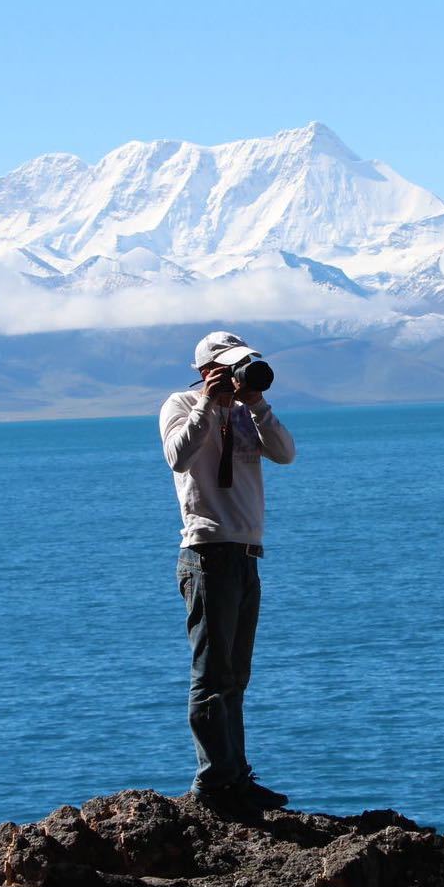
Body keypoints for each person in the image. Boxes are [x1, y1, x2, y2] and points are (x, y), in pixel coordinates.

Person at [159, 330, 296, 814]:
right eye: (232, 366)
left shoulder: (247, 411)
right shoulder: (179, 404)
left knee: (236, 675)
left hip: (246, 553)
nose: (241, 373)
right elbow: (177, 456)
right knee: (211, 675)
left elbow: (285, 453)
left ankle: (236, 775)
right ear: (207, 369)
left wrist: (255, 404)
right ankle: (214, 783)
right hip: (206, 554)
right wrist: (206, 406)